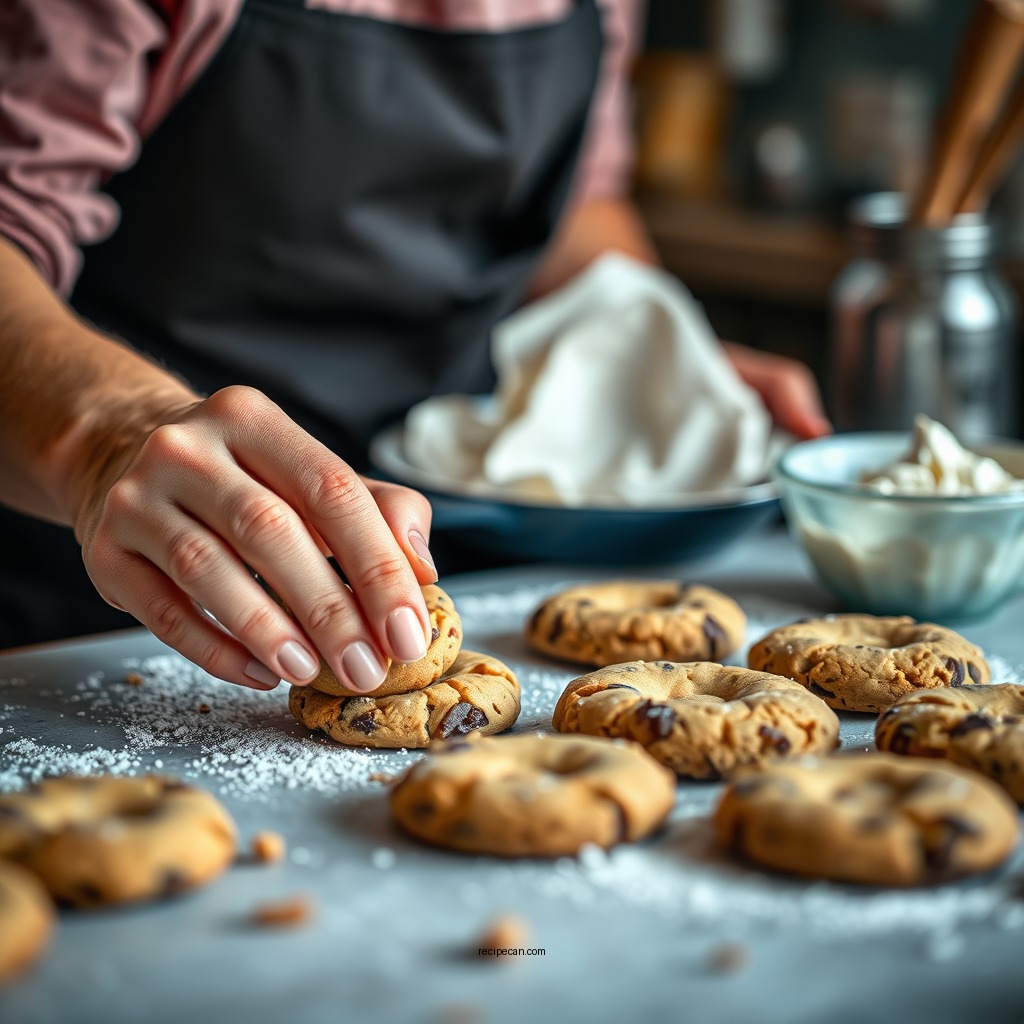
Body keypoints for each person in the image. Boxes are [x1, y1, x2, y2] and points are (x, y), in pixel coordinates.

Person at [0, 0, 829, 692]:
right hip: (113, 608)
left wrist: (654, 362)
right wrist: (109, 433)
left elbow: (568, 207)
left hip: (475, 567)